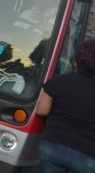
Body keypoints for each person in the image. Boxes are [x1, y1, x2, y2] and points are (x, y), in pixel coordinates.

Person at [36, 38, 95, 172]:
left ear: (76, 61)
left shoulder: (58, 82)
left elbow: (42, 111)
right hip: (87, 156)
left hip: (52, 146)